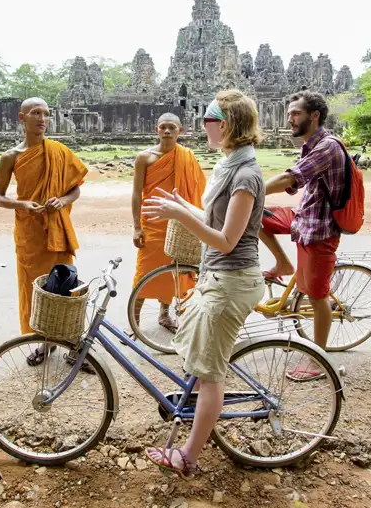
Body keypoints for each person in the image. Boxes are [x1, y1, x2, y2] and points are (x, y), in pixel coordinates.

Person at [141, 89, 265, 477]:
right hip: (217, 277)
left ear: (225, 126)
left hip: (231, 281)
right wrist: (184, 207)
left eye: (208, 120)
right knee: (199, 360)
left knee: (210, 375)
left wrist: (181, 214)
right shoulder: (229, 165)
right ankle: (197, 420)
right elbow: (214, 221)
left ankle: (188, 457)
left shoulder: (245, 176)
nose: (203, 126)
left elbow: (226, 240)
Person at [0, 97, 88, 365]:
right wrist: (21, 204)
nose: (42, 119)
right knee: (36, 288)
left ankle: (75, 345)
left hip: (57, 229)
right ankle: (45, 343)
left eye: (46, 114)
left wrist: (63, 201)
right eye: (36, 113)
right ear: (22, 118)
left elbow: (75, 189)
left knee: (66, 287)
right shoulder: (10, 157)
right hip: (30, 232)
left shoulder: (59, 151)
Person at [260, 90, 346, 381]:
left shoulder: (328, 147)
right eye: (289, 113)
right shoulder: (311, 145)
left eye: (296, 113)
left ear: (315, 116)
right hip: (302, 218)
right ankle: (283, 264)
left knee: (317, 295)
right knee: (256, 216)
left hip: (320, 229)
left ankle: (318, 361)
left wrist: (249, 188)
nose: (290, 119)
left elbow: (290, 177)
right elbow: (294, 184)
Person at [130, 113, 206, 336]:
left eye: (172, 127)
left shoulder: (187, 157)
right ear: (156, 130)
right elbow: (136, 194)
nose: (167, 131)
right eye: (163, 127)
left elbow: (197, 191)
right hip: (152, 222)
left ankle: (164, 314)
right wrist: (136, 226)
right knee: (144, 272)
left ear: (179, 131)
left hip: (178, 223)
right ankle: (134, 321)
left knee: (173, 270)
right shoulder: (144, 158)